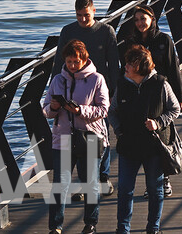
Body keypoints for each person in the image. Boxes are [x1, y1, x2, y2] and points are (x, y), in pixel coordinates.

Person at [116, 4, 182, 198]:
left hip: (162, 92)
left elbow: (174, 69)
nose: (140, 23)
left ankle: (163, 178)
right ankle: (152, 180)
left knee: (164, 136)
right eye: (137, 20)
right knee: (143, 137)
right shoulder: (130, 43)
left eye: (143, 18)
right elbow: (125, 69)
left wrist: (180, 98)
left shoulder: (164, 40)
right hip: (138, 92)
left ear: (152, 19)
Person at [108, 45, 181, 234]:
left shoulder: (160, 83)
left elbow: (175, 109)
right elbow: (112, 111)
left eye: (130, 64)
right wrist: (119, 131)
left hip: (154, 146)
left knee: (155, 188)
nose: (126, 66)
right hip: (128, 145)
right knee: (124, 189)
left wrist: (158, 123)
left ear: (141, 66)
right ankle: (123, 229)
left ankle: (153, 228)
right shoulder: (122, 84)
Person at [53, 0, 119, 196]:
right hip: (72, 90)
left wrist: (115, 92)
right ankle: (83, 182)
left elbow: (114, 64)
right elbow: (58, 62)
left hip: (99, 89)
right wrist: (55, 90)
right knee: (76, 137)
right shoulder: (68, 31)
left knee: (101, 133)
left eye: (86, 15)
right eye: (79, 15)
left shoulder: (106, 31)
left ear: (94, 11)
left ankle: (102, 176)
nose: (83, 19)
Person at [43, 40, 109, 234]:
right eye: (69, 61)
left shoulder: (97, 79)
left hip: (89, 136)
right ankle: (55, 227)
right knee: (59, 184)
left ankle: (91, 223)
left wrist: (80, 110)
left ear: (84, 59)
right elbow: (45, 110)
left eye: (76, 61)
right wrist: (53, 108)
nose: (72, 65)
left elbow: (104, 109)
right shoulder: (57, 80)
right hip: (62, 137)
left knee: (90, 183)